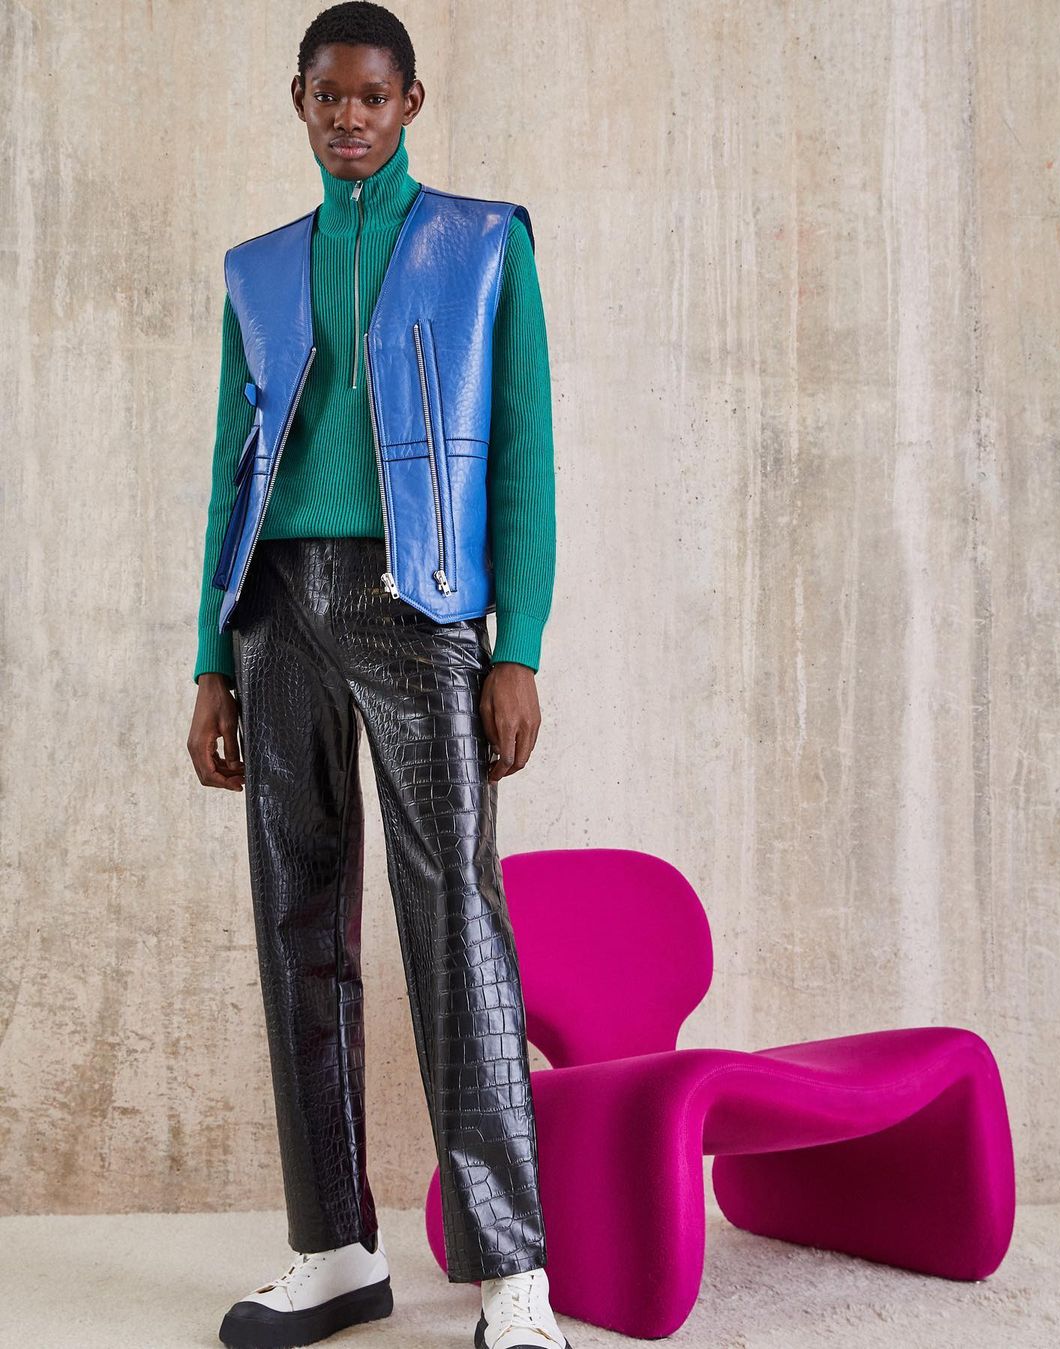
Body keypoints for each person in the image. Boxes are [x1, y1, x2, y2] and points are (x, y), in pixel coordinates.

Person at [186, 5, 570, 1347]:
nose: (348, 117)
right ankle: (337, 1247)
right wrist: (211, 658)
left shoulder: (484, 243)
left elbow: (524, 452)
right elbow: (231, 470)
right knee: (297, 924)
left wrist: (516, 644)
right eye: (327, 96)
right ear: (299, 101)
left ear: (411, 101)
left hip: (424, 609)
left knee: (454, 918)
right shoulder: (256, 269)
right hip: (277, 608)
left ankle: (512, 1270)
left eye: (371, 96)